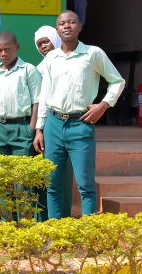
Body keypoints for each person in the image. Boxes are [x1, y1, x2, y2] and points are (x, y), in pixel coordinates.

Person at [34, 11, 125, 219]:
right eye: (62, 23)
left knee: (85, 185)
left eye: (72, 22)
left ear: (80, 26)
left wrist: (103, 105)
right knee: (53, 184)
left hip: (81, 123)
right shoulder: (51, 58)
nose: (67, 26)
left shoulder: (93, 53)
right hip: (53, 125)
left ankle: (87, 233)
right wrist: (39, 128)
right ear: (57, 29)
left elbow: (117, 81)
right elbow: (45, 94)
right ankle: (55, 232)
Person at [32, 25, 71, 217]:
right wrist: (38, 128)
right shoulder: (37, 70)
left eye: (46, 41)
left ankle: (64, 217)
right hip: (44, 125)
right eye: (39, 44)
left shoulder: (69, 63)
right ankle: (46, 219)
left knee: (63, 172)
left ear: (55, 39)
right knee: (47, 174)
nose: (43, 46)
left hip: (65, 122)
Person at [0, 31, 41, 159]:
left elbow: (37, 102)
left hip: (22, 128)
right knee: (1, 169)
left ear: (17, 47)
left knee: (21, 169)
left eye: (7, 49)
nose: (3, 54)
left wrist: (31, 129)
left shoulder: (28, 70)